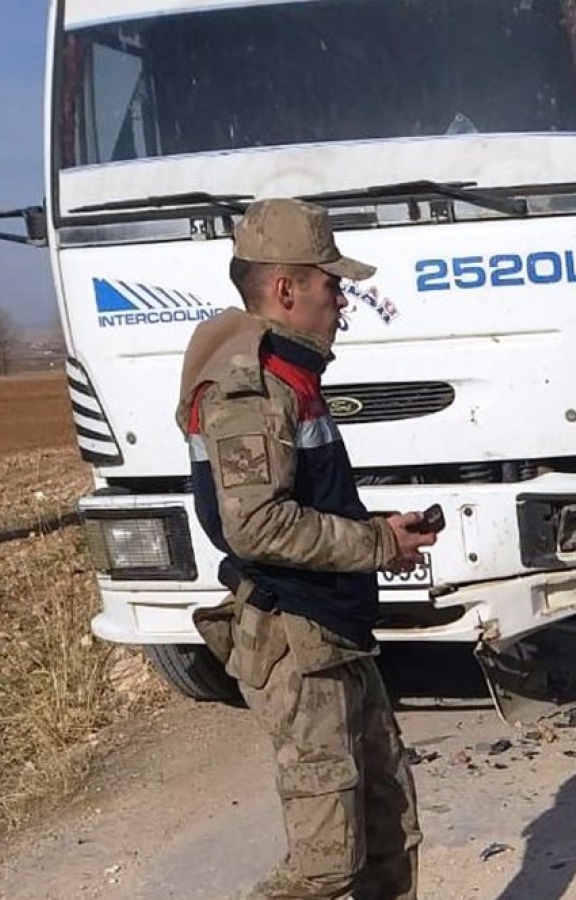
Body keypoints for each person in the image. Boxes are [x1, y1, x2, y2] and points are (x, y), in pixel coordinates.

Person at [176, 197, 437, 899]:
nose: (343, 304)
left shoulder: (291, 378)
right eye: (332, 286)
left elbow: (302, 505)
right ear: (287, 290)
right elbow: (255, 525)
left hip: (334, 632)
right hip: (297, 640)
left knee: (388, 831)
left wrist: (381, 535)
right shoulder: (250, 388)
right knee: (324, 866)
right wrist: (377, 542)